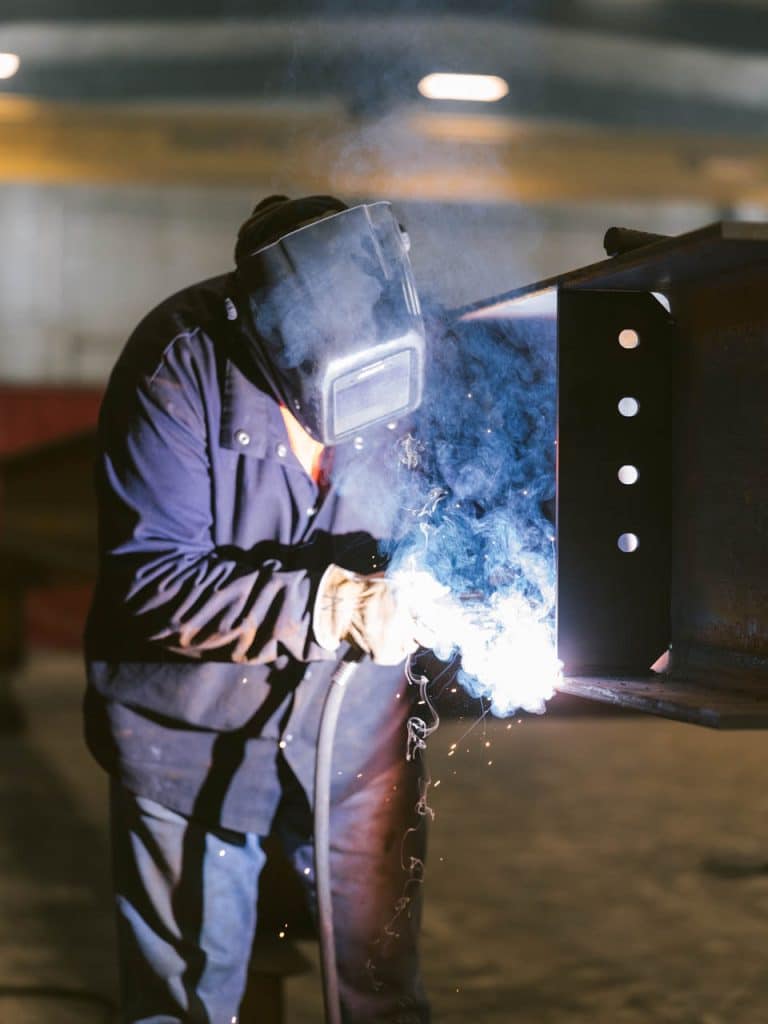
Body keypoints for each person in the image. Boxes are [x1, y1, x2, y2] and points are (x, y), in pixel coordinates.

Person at [83, 195, 432, 1023]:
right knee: (187, 1001)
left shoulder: (407, 348)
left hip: (354, 735)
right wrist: (333, 604)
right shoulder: (178, 364)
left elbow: (461, 497)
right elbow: (152, 581)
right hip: (190, 736)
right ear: (263, 333)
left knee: (380, 993)